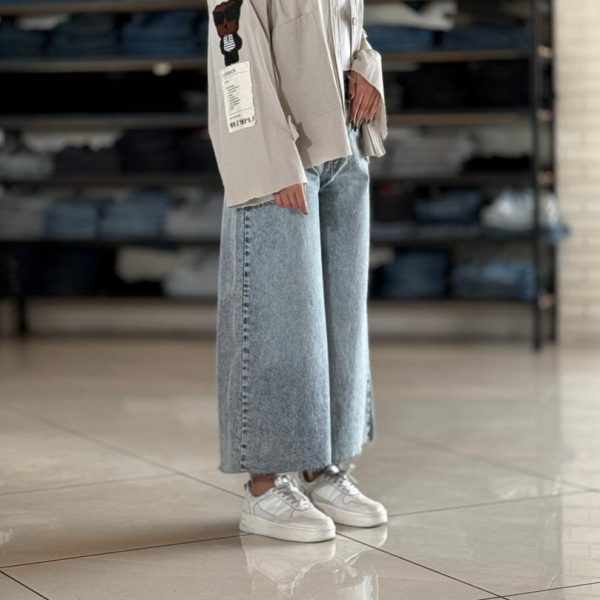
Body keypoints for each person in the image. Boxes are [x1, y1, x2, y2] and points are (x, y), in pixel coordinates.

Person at [207, 0, 389, 543]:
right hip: (282, 152)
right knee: (277, 315)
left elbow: (350, 27)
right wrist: (269, 161)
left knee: (340, 316)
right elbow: (235, 58)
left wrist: (368, 67)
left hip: (344, 143)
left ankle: (323, 465)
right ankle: (264, 487)